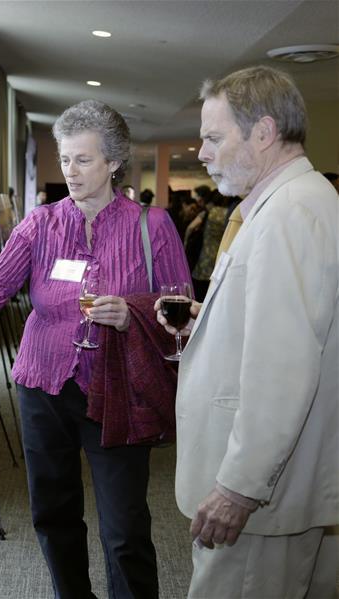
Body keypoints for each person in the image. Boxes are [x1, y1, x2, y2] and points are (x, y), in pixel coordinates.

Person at [0, 100, 191, 599]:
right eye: (65, 158)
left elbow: (179, 304)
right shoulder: (40, 224)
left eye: (84, 160)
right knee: (52, 512)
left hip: (116, 391)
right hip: (43, 387)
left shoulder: (152, 226)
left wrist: (133, 310)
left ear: (114, 162)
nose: (70, 171)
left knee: (125, 528)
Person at [156, 65, 338, 598]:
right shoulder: (286, 204)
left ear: (262, 132)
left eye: (214, 137)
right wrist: (207, 327)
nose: (203, 152)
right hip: (284, 489)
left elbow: (283, 370)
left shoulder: (290, 213)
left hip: (266, 500)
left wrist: (238, 488)